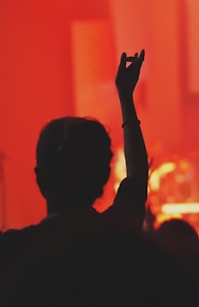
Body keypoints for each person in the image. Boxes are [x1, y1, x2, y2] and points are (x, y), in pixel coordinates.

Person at [0, 50, 150, 302]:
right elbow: (137, 176)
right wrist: (126, 96)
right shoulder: (117, 235)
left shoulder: (12, 251)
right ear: (104, 176)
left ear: (40, 179)